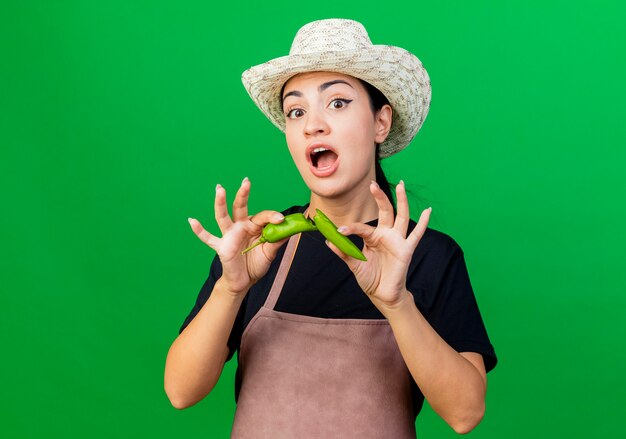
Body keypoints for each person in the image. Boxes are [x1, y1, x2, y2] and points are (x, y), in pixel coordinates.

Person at [164, 18, 497, 437]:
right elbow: (180, 391)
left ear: (381, 122)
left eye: (337, 103)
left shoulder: (426, 254)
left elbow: (465, 413)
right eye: (296, 110)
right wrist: (230, 289)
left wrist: (397, 303)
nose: (312, 124)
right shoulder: (257, 246)